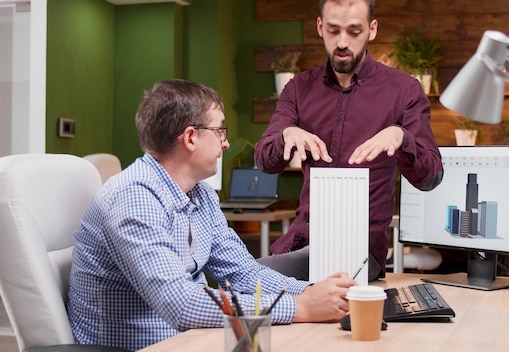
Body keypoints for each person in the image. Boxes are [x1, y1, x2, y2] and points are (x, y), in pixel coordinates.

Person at [67, 79, 356, 351]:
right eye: (220, 131)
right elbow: (180, 303)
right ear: (191, 137)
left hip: (191, 339)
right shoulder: (134, 197)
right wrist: (301, 307)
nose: (225, 143)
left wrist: (317, 292)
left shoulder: (200, 194)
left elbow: (243, 273)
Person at [255, 0, 444, 281]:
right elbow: (264, 162)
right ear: (320, 27)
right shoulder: (298, 89)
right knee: (246, 281)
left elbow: (430, 177)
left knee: (260, 280)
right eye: (333, 30)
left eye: (354, 31)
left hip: (361, 251)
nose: (342, 42)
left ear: (372, 29)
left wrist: (401, 137)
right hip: (303, 241)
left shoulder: (404, 91)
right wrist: (286, 135)